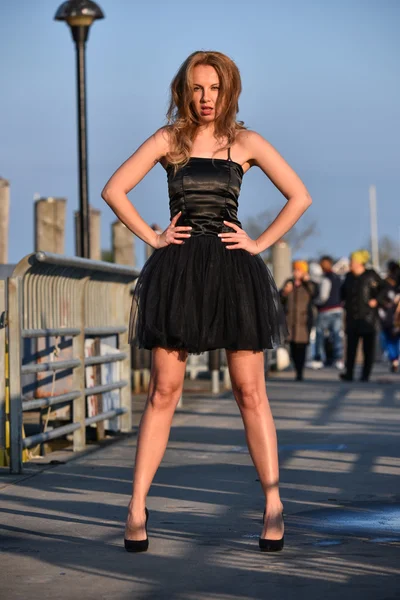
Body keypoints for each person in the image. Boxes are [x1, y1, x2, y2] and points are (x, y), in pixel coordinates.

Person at [101, 50, 312, 553]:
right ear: (184, 90)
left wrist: (259, 244)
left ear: (229, 90)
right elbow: (114, 189)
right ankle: (135, 507)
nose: (206, 98)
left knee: (250, 392)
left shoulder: (246, 142)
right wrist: (152, 239)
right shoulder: (168, 140)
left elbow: (299, 196)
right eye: (197, 88)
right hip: (177, 273)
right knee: (163, 393)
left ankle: (273, 505)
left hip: (234, 271)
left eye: (215, 88)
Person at [340, 250, 388, 382]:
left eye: (353, 261)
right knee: (350, 348)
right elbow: (342, 292)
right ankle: (349, 373)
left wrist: (376, 300)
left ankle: (365, 375)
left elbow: (385, 288)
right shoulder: (349, 276)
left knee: (368, 349)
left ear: (360, 263)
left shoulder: (371, 275)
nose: (350, 263)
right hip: (352, 317)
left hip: (368, 318)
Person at [280, 261, 318, 381]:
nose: (296, 272)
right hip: (290, 320)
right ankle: (296, 368)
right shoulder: (289, 282)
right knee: (292, 347)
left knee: (301, 347)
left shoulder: (309, 284)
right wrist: (285, 292)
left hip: (304, 321)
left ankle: (300, 372)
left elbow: (314, 293)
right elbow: (279, 298)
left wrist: (306, 281)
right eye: (295, 269)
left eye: (299, 270)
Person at [313, 255, 344, 370]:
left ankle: (318, 358)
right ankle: (338, 359)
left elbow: (323, 296)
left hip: (325, 310)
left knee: (320, 335)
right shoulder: (337, 278)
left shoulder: (325, 278)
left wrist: (315, 302)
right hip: (338, 309)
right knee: (336, 336)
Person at [379, 260, 400, 372]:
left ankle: (394, 360)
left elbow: (381, 298)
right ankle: (395, 359)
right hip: (394, 315)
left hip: (390, 316)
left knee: (390, 338)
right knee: (394, 339)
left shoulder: (386, 283)